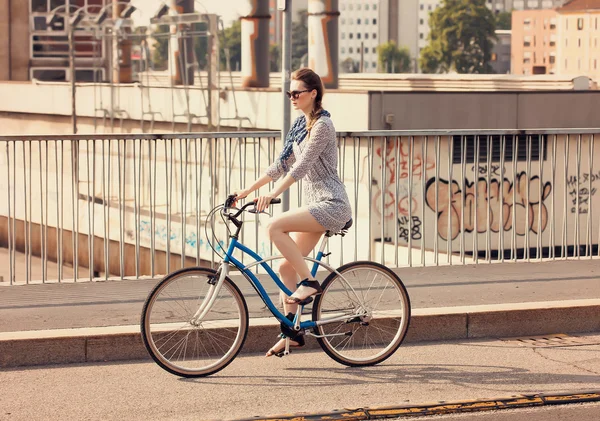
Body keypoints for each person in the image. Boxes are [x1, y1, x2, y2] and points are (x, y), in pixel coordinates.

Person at [233, 68, 352, 357]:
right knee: (285, 268)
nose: (292, 97)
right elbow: (280, 166)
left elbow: (301, 168)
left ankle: (310, 283)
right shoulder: (301, 125)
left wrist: (273, 195)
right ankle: (293, 335)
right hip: (316, 206)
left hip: (331, 204)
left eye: (297, 93)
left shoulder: (323, 126)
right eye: (289, 93)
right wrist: (246, 192)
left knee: (274, 227)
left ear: (313, 94)